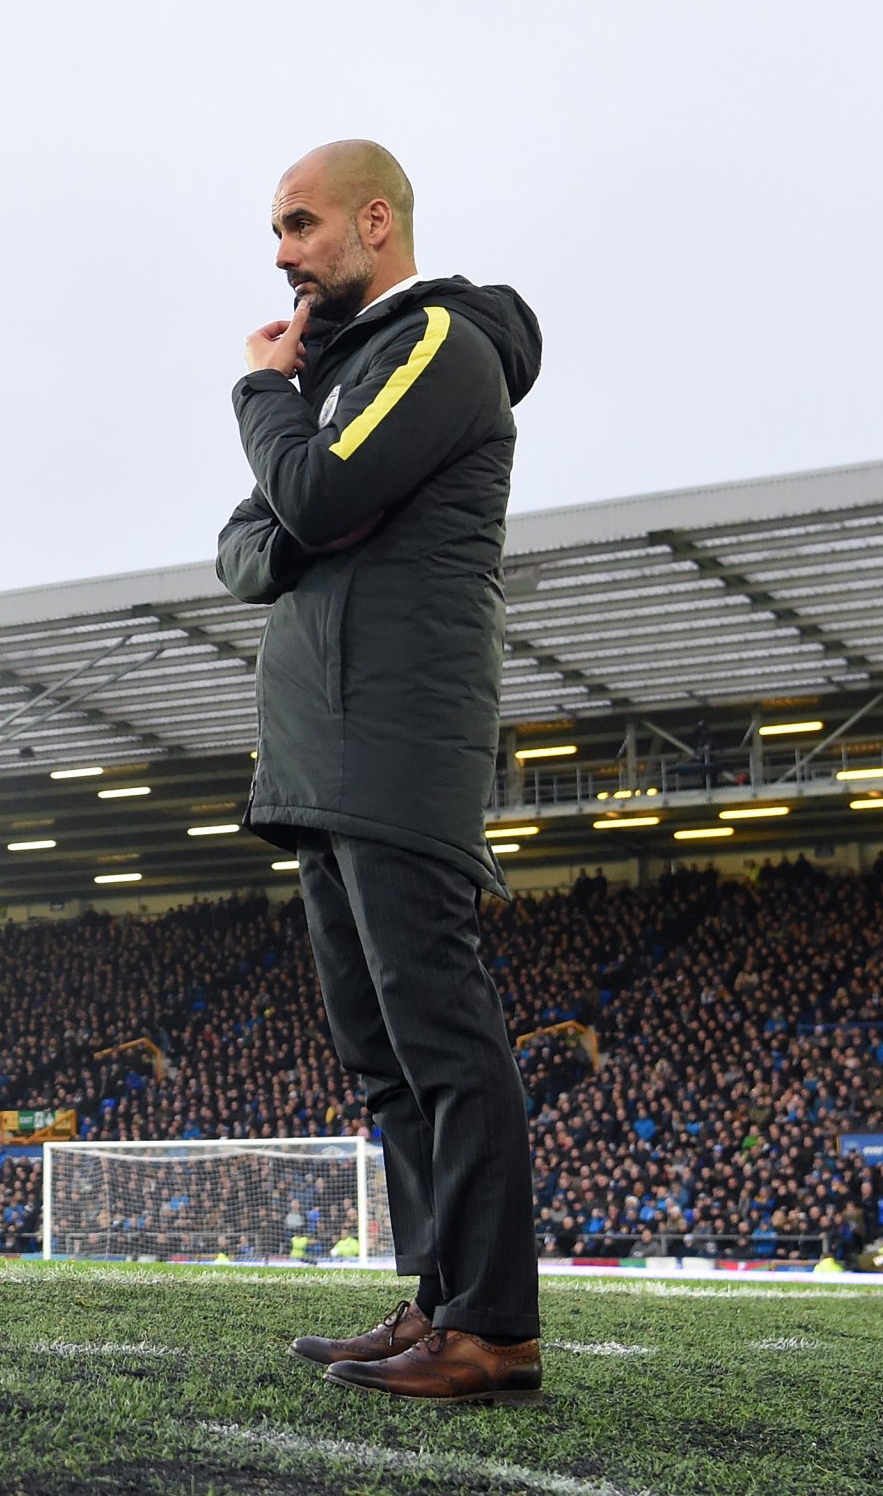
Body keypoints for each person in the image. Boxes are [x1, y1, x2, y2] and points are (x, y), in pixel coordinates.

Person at [221, 140, 544, 1405]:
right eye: (276, 235)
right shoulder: (347, 378)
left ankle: (497, 1326)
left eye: (299, 225)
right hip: (321, 748)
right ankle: (438, 1300)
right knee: (381, 1050)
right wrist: (299, 459)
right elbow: (247, 553)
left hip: (395, 739)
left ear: (374, 221)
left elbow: (304, 493)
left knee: (440, 1034)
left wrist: (262, 392)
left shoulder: (436, 346)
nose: (285, 255)